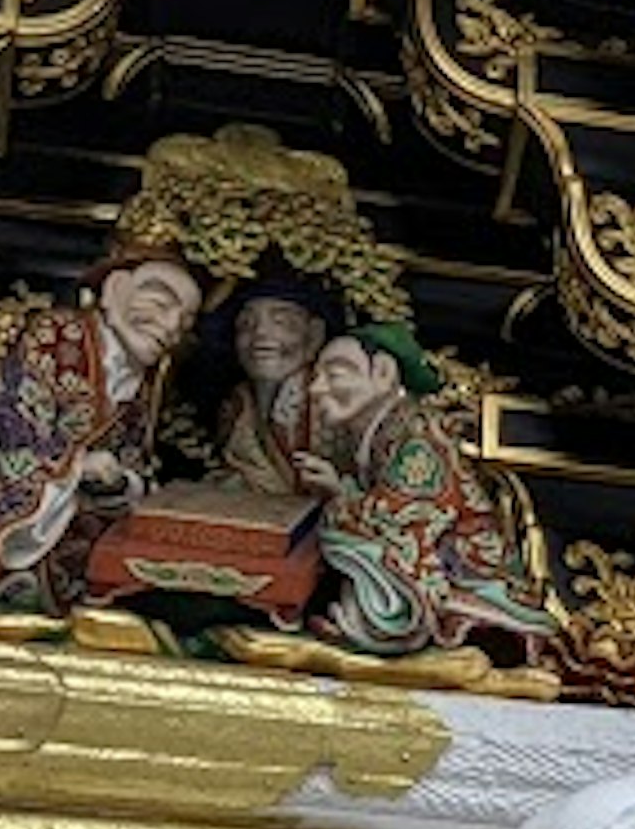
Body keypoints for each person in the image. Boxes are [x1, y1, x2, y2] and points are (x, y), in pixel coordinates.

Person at [300, 323, 558, 662]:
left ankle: (382, 623)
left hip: (464, 568)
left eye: (335, 374)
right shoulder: (381, 433)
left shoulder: (419, 437)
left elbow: (399, 516)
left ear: (383, 374)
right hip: (432, 550)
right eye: (315, 376)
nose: (317, 389)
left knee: (349, 538)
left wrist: (339, 494)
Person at [0, 250, 202, 610]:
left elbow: (132, 459)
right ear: (115, 291)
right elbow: (16, 427)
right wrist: (79, 465)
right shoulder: (59, 334)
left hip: (69, 518)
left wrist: (120, 483)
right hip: (0, 490)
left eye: (184, 323)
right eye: (159, 304)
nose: (171, 327)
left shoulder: (141, 385)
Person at [212, 275, 338, 497]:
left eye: (282, 323)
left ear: (315, 336)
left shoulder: (331, 402)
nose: (260, 334)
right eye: (246, 325)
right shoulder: (238, 404)